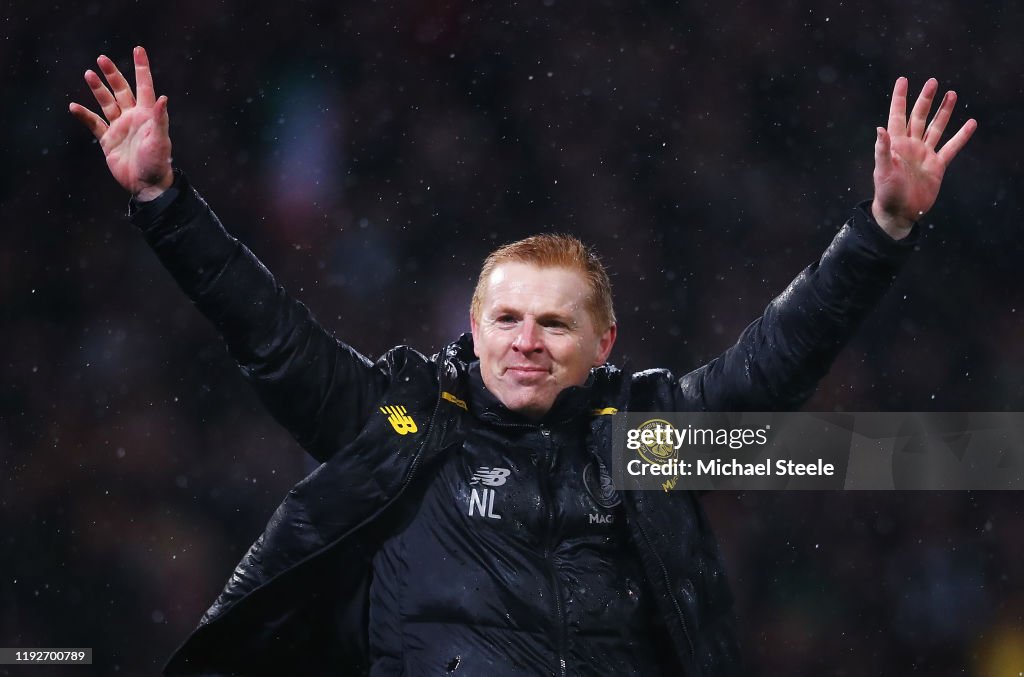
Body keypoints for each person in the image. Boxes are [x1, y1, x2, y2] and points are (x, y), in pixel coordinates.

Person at [70, 46, 976, 676]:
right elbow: (266, 332)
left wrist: (884, 226)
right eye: (505, 318)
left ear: (603, 343)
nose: (525, 341)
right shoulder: (403, 423)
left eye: (553, 322)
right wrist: (162, 200)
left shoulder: (644, 441)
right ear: (471, 324)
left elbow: (775, 365)